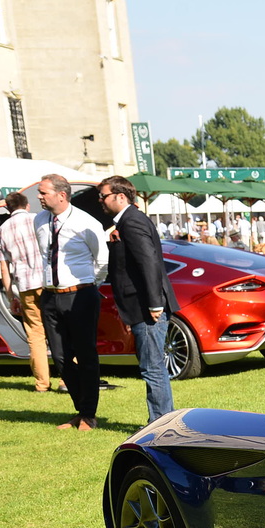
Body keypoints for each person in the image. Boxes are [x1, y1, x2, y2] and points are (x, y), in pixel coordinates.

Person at [98, 176, 176, 425]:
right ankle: (162, 421)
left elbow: (149, 262)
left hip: (147, 307)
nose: (100, 201)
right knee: (152, 367)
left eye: (103, 196)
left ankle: (160, 424)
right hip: (141, 306)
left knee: (152, 368)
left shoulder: (132, 221)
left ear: (120, 197)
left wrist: (154, 304)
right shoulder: (128, 222)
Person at [36, 172, 106, 431]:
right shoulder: (40, 221)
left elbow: (102, 260)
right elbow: (45, 256)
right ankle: (81, 409)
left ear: (62, 195)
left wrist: (89, 286)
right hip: (50, 296)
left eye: (43, 193)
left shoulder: (85, 222)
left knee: (86, 356)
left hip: (80, 294)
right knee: (61, 358)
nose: (39, 197)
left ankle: (89, 414)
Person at [0, 191, 53, 392]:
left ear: (7, 208)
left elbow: (4, 269)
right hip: (49, 283)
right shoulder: (39, 220)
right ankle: (67, 379)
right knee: (61, 330)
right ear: (27, 205)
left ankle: (42, 383)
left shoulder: (1, 230)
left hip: (26, 286)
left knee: (35, 335)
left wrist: (11, 297)